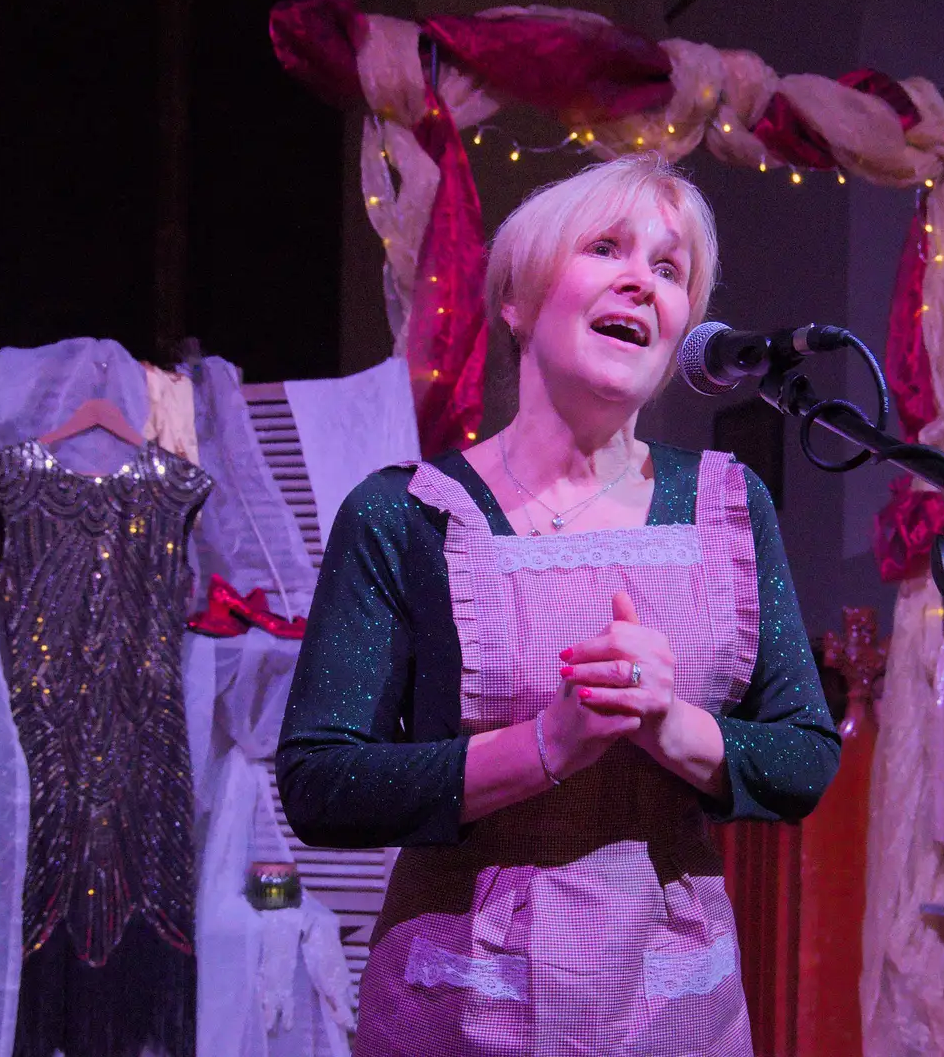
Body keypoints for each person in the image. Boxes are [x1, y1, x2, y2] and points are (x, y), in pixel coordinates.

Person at [277, 153, 841, 1056]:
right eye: (606, 249)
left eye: (669, 268)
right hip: (466, 1003)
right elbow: (321, 784)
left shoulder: (730, 508)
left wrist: (669, 725)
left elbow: (805, 756)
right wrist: (548, 746)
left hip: (672, 1004)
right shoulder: (406, 515)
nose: (640, 281)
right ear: (518, 301)